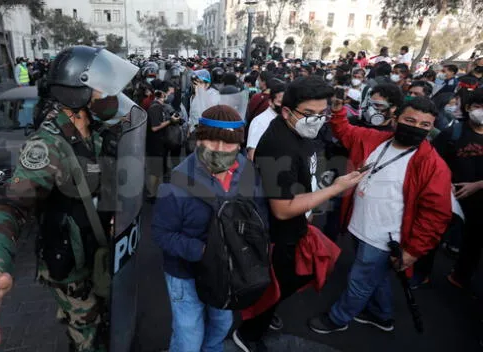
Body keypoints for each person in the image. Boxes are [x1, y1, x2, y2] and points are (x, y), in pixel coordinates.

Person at [0, 46, 138, 352]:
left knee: (104, 322)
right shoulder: (48, 147)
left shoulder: (95, 132)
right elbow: (8, 206)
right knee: (88, 338)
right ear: (78, 94)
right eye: (104, 90)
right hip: (70, 264)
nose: (112, 96)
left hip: (96, 251)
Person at [233, 77, 364, 351]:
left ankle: (265, 313)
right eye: (308, 114)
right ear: (286, 111)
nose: (316, 120)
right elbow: (281, 210)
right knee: (281, 282)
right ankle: (248, 335)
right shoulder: (279, 145)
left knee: (292, 278)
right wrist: (335, 189)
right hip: (278, 234)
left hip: (299, 225)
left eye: (322, 113)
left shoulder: (304, 134)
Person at [308, 96, 452, 334]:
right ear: (395, 119)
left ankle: (338, 318)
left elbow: (436, 215)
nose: (416, 128)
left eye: (424, 125)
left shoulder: (433, 166)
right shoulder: (376, 140)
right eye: (410, 120)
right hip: (358, 225)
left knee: (359, 281)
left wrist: (414, 250)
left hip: (384, 239)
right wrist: (337, 111)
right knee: (378, 276)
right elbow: (345, 131)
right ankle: (381, 315)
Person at [152, 105, 269, 352]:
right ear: (198, 139)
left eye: (228, 144)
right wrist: (204, 251)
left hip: (228, 271)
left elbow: (259, 213)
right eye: (211, 141)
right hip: (185, 274)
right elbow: (162, 234)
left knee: (222, 321)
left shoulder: (247, 171)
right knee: (188, 336)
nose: (220, 150)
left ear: (239, 145)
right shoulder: (176, 183)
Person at [438, 88, 483, 291]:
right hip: (447, 196)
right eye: (477, 107)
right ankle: (420, 274)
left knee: (473, 242)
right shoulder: (453, 132)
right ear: (467, 108)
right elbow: (434, 162)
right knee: (433, 235)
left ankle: (460, 276)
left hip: (479, 201)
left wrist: (478, 185)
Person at [246, 78, 285, 160]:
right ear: (270, 102)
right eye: (280, 102)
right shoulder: (260, 122)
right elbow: (252, 155)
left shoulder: (285, 118)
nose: (284, 106)